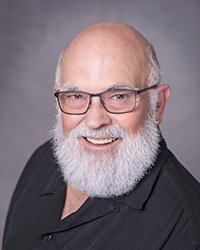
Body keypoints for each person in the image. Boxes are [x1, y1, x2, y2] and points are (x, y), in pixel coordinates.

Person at [3, 22, 200, 250]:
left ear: (158, 105)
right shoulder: (43, 159)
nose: (95, 121)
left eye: (118, 96)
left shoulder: (187, 231)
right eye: (76, 96)